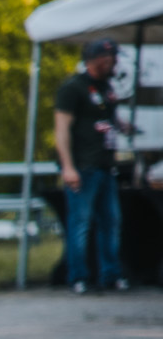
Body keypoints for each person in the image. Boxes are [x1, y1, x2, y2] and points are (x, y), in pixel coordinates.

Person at [54, 39, 131, 295]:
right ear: (98, 59)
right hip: (82, 167)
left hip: (105, 165)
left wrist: (123, 126)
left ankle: (111, 274)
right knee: (80, 223)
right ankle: (78, 277)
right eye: (110, 59)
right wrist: (68, 167)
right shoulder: (73, 88)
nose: (115, 64)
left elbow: (107, 119)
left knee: (111, 221)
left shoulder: (106, 87)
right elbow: (61, 129)